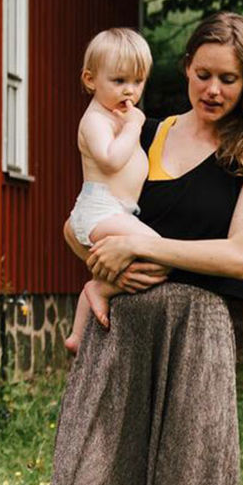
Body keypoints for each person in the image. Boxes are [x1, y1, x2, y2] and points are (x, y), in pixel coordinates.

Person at [38, 12, 243, 485]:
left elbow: (239, 256)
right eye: (203, 74)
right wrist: (99, 261)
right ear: (185, 69)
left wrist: (147, 247)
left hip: (195, 334)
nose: (213, 90)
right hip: (121, 326)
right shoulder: (145, 129)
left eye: (228, 79)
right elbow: (80, 225)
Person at [64, 28, 164, 356]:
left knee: (146, 261)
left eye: (138, 82)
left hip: (112, 211)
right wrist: (135, 127)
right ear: (91, 80)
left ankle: (77, 336)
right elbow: (109, 161)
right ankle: (101, 288)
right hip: (101, 210)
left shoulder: (115, 117)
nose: (130, 91)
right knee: (162, 253)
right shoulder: (95, 120)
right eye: (119, 81)